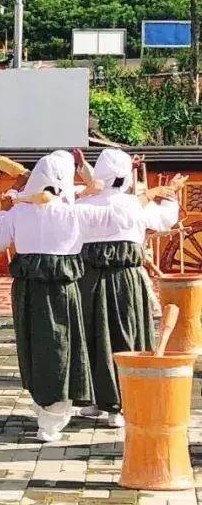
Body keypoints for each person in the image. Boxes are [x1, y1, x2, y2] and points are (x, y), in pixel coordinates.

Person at [0, 152, 132, 443]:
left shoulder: (19, 211)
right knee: (62, 346)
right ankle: (54, 414)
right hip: (63, 290)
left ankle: (46, 409)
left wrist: (7, 208)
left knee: (35, 345)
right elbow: (112, 206)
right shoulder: (76, 212)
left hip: (28, 290)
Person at [76, 149, 182, 428]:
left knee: (93, 336)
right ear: (125, 176)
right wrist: (172, 193)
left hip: (88, 281)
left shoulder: (83, 206)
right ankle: (119, 406)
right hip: (126, 281)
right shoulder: (134, 206)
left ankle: (96, 400)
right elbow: (165, 219)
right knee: (126, 335)